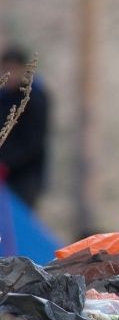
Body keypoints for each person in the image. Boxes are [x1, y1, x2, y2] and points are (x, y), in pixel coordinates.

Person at [0, 46, 50, 208]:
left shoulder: (34, 98)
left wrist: (7, 162)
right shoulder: (3, 96)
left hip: (27, 176)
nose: (10, 75)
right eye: (5, 70)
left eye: (13, 69)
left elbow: (33, 141)